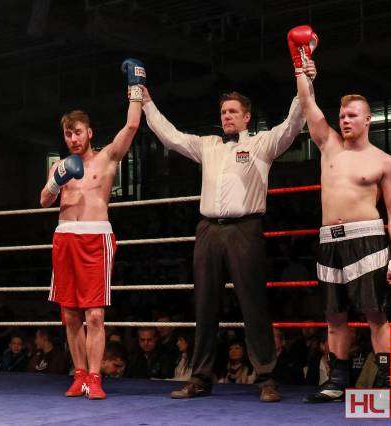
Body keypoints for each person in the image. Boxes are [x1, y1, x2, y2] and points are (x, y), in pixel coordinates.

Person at [139, 62, 311, 402]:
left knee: (253, 303)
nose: (227, 116)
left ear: (246, 117)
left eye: (233, 111)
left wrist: (303, 78)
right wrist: (146, 102)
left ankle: (266, 378)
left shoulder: (262, 143)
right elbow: (170, 136)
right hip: (208, 230)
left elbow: (294, 122)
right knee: (204, 304)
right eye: (223, 112)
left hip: (245, 228)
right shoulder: (208, 145)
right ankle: (200, 377)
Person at [290, 25, 391, 402]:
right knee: (334, 315)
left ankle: (387, 379)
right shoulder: (329, 145)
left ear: (367, 119)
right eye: (342, 115)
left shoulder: (383, 161)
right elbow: (307, 104)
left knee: (375, 313)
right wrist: (301, 64)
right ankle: (337, 382)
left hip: (368, 240)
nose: (344, 120)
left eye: (352, 115)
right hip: (329, 241)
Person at [39, 58, 145, 399]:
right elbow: (44, 201)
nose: (73, 139)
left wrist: (135, 89)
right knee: (69, 315)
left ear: (89, 132)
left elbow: (131, 126)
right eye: (68, 134)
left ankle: (96, 377)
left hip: (95, 238)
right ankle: (80, 374)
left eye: (78, 132)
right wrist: (56, 182)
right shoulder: (59, 165)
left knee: (95, 315)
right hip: (64, 238)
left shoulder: (107, 158)